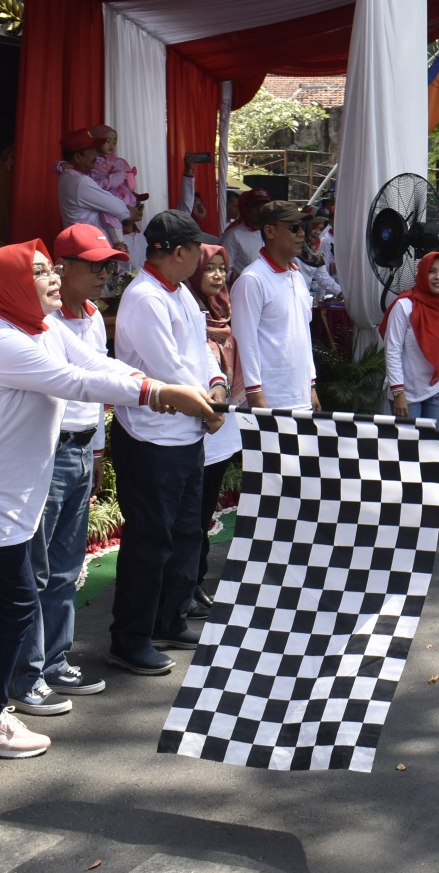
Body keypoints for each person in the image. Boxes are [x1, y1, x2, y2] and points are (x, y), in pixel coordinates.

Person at [0, 242, 213, 756]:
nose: (53, 278)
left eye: (51, 269)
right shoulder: (1, 340)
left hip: (15, 488)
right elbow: (76, 383)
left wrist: (156, 384)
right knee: (18, 599)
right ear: (7, 286)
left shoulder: (41, 329)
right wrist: (162, 396)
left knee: (5, 596)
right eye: (40, 272)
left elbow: (96, 361)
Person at [108, 210, 228, 677]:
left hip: (186, 433)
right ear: (177, 253)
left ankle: (169, 617)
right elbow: (168, 367)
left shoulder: (179, 294)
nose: (202, 257)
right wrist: (208, 406)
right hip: (152, 437)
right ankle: (130, 637)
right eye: (197, 249)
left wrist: (216, 385)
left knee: (186, 532)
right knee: (150, 540)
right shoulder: (145, 297)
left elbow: (200, 354)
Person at [11, 222, 125, 714]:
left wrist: (97, 451)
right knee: (35, 571)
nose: (105, 274)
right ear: (63, 269)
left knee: (64, 567)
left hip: (80, 450)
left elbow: (99, 385)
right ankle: (25, 673)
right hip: (49, 449)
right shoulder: (44, 323)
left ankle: (55, 661)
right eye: (94, 266)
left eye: (108, 265)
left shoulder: (94, 316)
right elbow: (73, 382)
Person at [187, 244, 247, 616]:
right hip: (198, 424)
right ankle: (186, 585)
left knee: (205, 509)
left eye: (223, 269)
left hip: (224, 424)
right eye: (210, 268)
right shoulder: (190, 310)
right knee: (191, 515)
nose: (218, 275)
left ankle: (197, 580)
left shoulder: (225, 313)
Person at [231, 201, 320, 418]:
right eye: (293, 227)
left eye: (302, 227)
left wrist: (310, 384)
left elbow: (303, 335)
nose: (301, 234)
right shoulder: (252, 280)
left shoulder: (298, 277)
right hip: (270, 401)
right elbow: (244, 342)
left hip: (300, 397)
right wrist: (255, 395)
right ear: (269, 231)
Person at [383, 251, 439, 435]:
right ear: (421, 273)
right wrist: (398, 392)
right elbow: (392, 350)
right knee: (408, 455)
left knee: (432, 455)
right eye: (432, 271)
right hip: (407, 393)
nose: (438, 277)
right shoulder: (404, 306)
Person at [56, 127, 133, 244]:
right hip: (89, 249)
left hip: (83, 246)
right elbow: (121, 210)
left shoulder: (67, 176)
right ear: (77, 157)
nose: (97, 155)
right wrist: (129, 211)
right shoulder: (80, 182)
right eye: (93, 151)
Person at [221, 188, 271, 275]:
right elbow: (223, 268)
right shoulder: (232, 235)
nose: (260, 210)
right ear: (246, 208)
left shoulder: (273, 233)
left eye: (264, 206)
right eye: (256, 206)